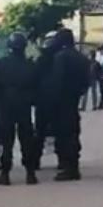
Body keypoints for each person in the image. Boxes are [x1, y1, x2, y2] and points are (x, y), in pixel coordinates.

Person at [0, 30, 39, 185]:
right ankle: (30, 173)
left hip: (5, 105)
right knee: (26, 139)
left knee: (7, 141)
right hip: (24, 106)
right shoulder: (30, 65)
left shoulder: (1, 64)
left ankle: (5, 173)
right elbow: (37, 86)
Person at [44, 29, 90, 181]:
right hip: (74, 99)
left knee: (63, 135)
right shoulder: (82, 58)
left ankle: (67, 167)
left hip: (61, 101)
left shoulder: (60, 57)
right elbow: (87, 81)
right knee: (73, 133)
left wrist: (51, 100)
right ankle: (73, 165)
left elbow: (57, 80)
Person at [33, 30, 59, 169]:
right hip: (58, 101)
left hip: (42, 100)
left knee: (39, 132)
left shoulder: (41, 59)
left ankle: (35, 161)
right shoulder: (60, 58)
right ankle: (64, 162)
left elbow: (33, 78)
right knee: (61, 132)